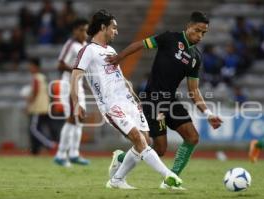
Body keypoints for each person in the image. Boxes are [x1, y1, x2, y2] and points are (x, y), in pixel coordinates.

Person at [106, 11, 223, 189]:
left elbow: (194, 90)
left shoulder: (196, 57)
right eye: (197, 30)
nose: (200, 36)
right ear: (189, 26)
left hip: (171, 100)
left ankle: (171, 181)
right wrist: (119, 57)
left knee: (192, 137)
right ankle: (120, 158)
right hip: (152, 99)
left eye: (203, 33)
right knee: (159, 149)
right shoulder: (169, 38)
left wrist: (208, 113)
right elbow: (140, 44)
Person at [71, 10, 182, 189]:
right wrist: (76, 103)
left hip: (127, 100)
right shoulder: (88, 51)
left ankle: (116, 179)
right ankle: (168, 176)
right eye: (114, 28)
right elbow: (75, 76)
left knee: (146, 139)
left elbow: (120, 76)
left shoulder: (111, 50)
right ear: (103, 27)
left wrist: (134, 96)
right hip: (110, 104)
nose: (116, 31)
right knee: (138, 139)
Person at [54, 18, 90, 167]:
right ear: (74, 30)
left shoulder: (86, 46)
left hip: (78, 85)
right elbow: (60, 65)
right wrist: (76, 71)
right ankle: (61, 155)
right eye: (81, 30)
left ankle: (74, 153)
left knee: (80, 118)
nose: (84, 33)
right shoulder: (70, 45)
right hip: (68, 85)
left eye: (86, 30)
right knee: (71, 118)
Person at [26, 58, 57, 154]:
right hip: (46, 107)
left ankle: (50, 144)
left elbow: (35, 92)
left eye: (30, 66)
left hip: (38, 108)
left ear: (35, 67)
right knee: (41, 128)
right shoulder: (44, 77)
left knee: (33, 129)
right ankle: (35, 150)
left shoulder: (36, 78)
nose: (29, 68)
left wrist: (29, 102)